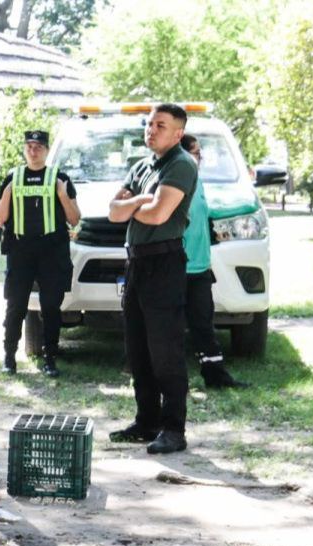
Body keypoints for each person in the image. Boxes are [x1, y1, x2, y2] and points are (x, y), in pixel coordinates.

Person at [107, 104, 196, 455]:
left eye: (161, 125)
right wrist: (145, 198)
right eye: (149, 124)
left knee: (165, 350)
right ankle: (147, 421)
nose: (152, 130)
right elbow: (113, 212)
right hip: (136, 265)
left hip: (164, 263)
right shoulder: (143, 166)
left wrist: (135, 203)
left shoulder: (181, 165)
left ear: (177, 133)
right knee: (138, 348)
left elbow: (160, 214)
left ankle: (174, 428)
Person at [0, 130, 81, 377]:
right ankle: (9, 356)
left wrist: (62, 194)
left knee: (51, 307)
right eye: (29, 146)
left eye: (38, 147)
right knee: (16, 305)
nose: (33, 151)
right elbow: (0, 219)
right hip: (21, 251)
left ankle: (50, 358)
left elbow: (74, 219)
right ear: (24, 149)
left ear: (46, 150)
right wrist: (8, 192)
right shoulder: (13, 178)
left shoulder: (60, 178)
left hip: (52, 251)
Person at [180, 134, 246, 389]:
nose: (200, 158)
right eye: (196, 153)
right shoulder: (175, 182)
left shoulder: (198, 182)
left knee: (203, 325)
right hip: (176, 268)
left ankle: (215, 376)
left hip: (199, 268)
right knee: (170, 328)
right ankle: (167, 380)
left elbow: (204, 215)